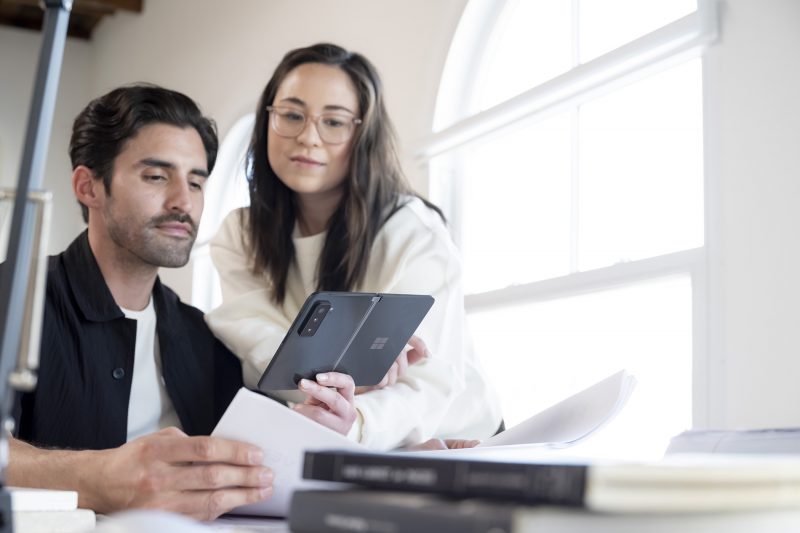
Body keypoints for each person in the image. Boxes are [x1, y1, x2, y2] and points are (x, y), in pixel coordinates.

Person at [6, 84, 357, 520]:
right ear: (88, 186)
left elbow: (248, 463)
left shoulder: (205, 336)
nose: (183, 202)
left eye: (196, 181)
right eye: (156, 176)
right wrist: (96, 476)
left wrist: (310, 430)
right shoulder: (11, 297)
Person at [205, 43, 503, 451]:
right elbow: (261, 349)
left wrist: (353, 417)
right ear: (267, 121)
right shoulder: (240, 234)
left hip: (455, 439)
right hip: (330, 431)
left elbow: (431, 379)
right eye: (291, 116)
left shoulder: (411, 231)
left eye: (334, 122)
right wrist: (347, 384)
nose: (308, 137)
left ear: (363, 133)